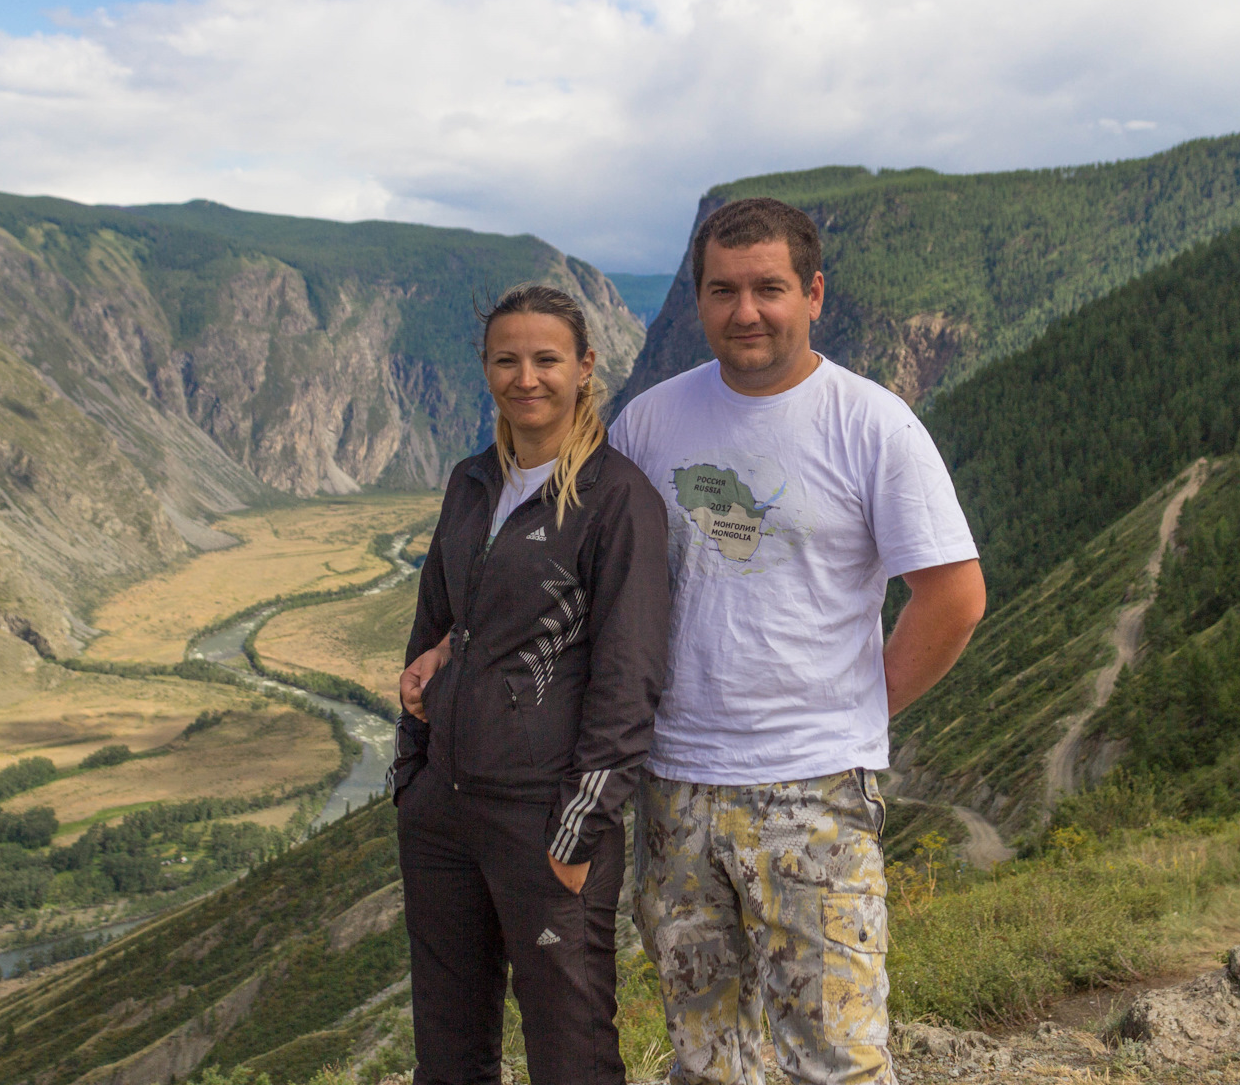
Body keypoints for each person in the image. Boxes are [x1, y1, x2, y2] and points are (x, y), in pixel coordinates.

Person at [607, 198, 987, 1085]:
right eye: (723, 290)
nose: (746, 311)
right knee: (705, 1054)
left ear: (813, 294)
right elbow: (608, 588)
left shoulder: (873, 424)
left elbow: (954, 597)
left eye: (769, 288)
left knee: (838, 1058)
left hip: (813, 790)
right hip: (677, 789)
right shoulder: (649, 425)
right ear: (699, 299)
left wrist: (861, 706)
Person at [389, 283, 670, 1085]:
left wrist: (577, 833)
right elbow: (434, 627)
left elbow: (631, 675)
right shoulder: (471, 483)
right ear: (485, 370)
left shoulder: (615, 500)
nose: (526, 378)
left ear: (585, 368)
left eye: (547, 359)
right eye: (506, 360)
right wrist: (411, 772)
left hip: (544, 820)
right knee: (447, 1051)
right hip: (442, 813)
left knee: (570, 1055)